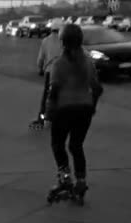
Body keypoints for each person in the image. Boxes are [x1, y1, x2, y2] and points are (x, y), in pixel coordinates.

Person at [45, 24, 103, 203]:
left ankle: (65, 179)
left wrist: (49, 112)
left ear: (62, 42)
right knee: (76, 146)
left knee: (57, 144)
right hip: (84, 109)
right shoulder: (88, 62)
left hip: (64, 108)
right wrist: (92, 106)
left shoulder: (59, 63)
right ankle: (81, 182)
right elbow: (97, 88)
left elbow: (54, 90)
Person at [30, 18, 64, 130]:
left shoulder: (45, 41)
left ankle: (42, 119)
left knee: (46, 97)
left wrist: (40, 68)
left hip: (50, 72)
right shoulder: (64, 41)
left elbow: (40, 59)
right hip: (63, 72)